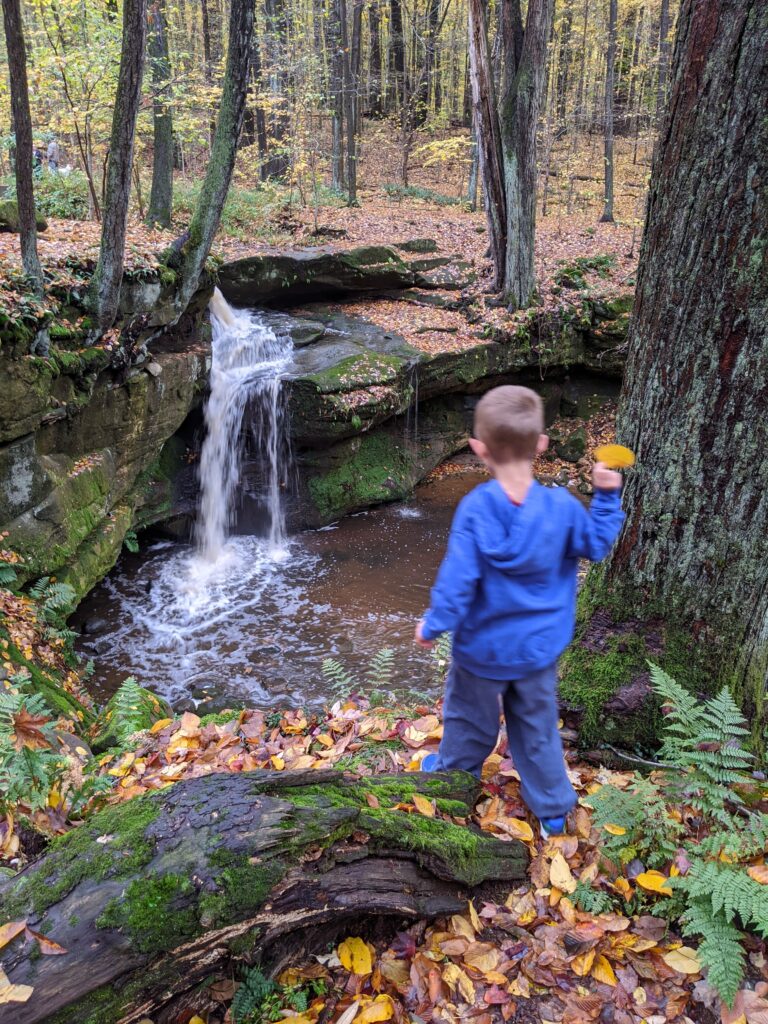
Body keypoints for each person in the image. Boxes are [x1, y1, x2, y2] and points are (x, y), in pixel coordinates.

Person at [414, 385, 625, 836]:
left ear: (479, 450)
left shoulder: (475, 508)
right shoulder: (564, 508)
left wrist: (435, 622)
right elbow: (596, 545)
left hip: (479, 652)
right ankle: (551, 811)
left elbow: (459, 578)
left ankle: (454, 778)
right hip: (537, 652)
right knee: (536, 730)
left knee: (468, 718)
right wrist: (606, 495)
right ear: (543, 445)